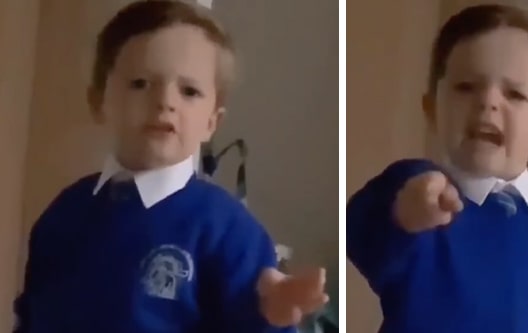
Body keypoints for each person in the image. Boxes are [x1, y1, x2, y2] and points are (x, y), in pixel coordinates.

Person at [14, 1, 326, 332]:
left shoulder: (231, 232)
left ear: (212, 121)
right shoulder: (64, 214)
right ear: (98, 101)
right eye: (140, 83)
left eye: (189, 91)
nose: (165, 101)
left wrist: (271, 316)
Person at [347, 4, 528, 332]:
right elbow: (360, 231)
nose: (487, 101)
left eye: (514, 94)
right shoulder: (419, 189)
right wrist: (404, 213)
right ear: (432, 109)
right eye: (465, 87)